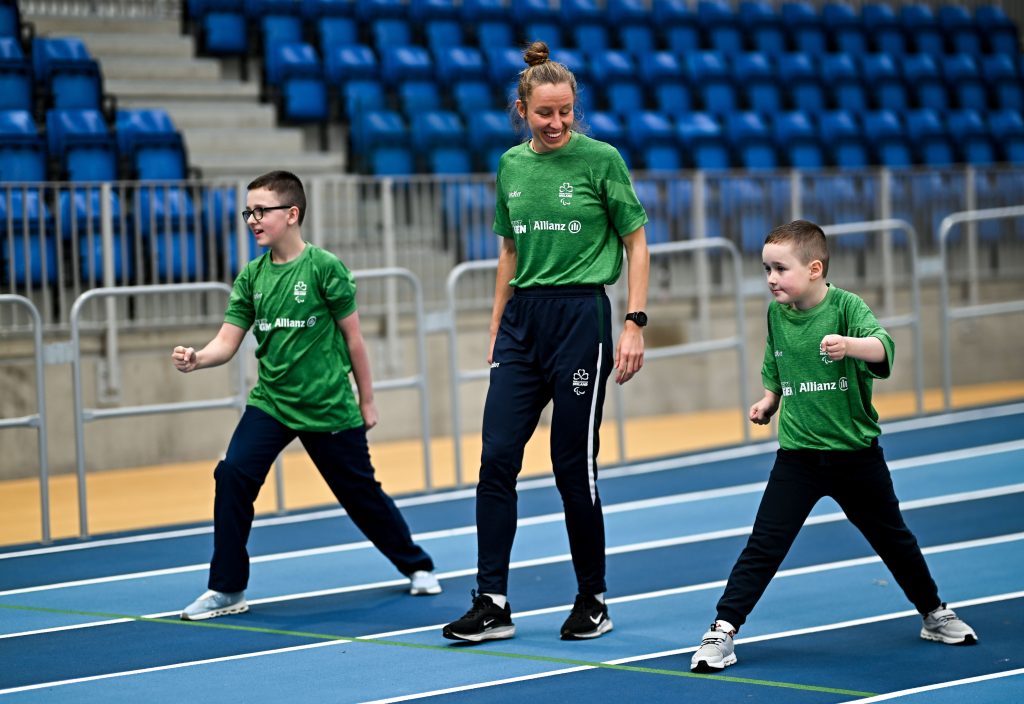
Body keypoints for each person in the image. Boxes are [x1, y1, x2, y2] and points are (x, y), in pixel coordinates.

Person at [689, 220, 978, 672]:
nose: (770, 278)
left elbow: (883, 348)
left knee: (894, 540)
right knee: (765, 544)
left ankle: (934, 612)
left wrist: (851, 346)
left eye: (780, 269)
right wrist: (770, 400)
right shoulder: (776, 314)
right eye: (766, 268)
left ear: (814, 268)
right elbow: (776, 361)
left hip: (856, 456)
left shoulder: (846, 308)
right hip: (799, 457)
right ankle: (722, 630)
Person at [442, 41, 650, 643]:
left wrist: (634, 321)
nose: (556, 123)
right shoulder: (511, 166)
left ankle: (592, 599)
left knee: (571, 467)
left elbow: (635, 242)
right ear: (522, 110)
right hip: (521, 324)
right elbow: (508, 251)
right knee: (495, 460)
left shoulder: (602, 160)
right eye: (544, 113)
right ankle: (492, 603)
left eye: (565, 112)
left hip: (582, 319)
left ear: (575, 109)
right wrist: (495, 321)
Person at [172, 170, 440, 621]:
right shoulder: (251, 277)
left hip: (328, 404)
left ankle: (416, 565)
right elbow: (227, 340)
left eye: (262, 211)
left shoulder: (324, 268)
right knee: (233, 476)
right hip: (271, 403)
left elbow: (354, 340)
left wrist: (367, 400)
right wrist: (198, 358)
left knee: (361, 497)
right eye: (248, 212)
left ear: (291, 214)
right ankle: (227, 588)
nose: (252, 220)